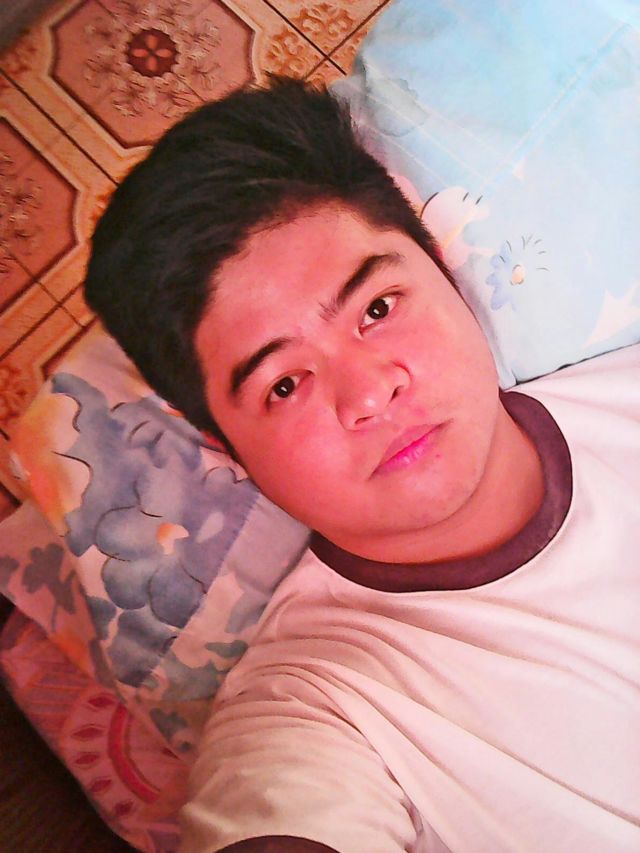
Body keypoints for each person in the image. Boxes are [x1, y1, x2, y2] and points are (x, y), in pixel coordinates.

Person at [85, 77, 640, 852]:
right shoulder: (318, 709)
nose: (370, 392)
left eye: (377, 309)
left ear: (444, 273)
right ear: (224, 446)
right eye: (284, 384)